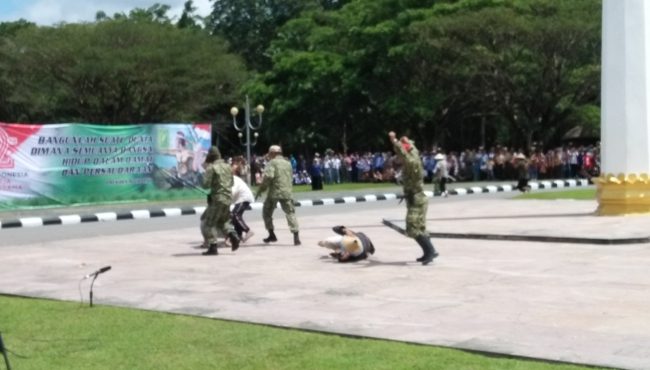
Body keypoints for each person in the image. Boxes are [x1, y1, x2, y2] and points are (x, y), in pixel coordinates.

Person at [388, 131, 439, 265]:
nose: (398, 158)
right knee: (420, 227)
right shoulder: (414, 157)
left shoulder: (412, 163)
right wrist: (407, 141)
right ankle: (429, 251)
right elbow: (412, 150)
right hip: (416, 199)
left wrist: (394, 141)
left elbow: (405, 154)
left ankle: (430, 251)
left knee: (412, 227)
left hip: (416, 199)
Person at [255, 145, 301, 245]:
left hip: (274, 193)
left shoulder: (272, 163)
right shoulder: (288, 163)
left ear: (272, 153)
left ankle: (271, 234)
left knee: (266, 212)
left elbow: (269, 177)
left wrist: (261, 189)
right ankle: (296, 236)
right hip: (287, 192)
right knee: (290, 213)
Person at [201, 146, 240, 255]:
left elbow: (205, 185)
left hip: (217, 198)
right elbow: (231, 183)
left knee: (209, 223)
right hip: (228, 198)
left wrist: (204, 174)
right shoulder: (228, 167)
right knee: (223, 222)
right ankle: (233, 236)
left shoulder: (211, 168)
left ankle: (213, 247)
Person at [231, 172, 255, 242]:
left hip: (244, 198)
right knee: (236, 216)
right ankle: (239, 235)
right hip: (241, 198)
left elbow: (233, 191)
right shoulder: (231, 179)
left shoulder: (233, 179)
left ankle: (247, 231)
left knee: (235, 214)